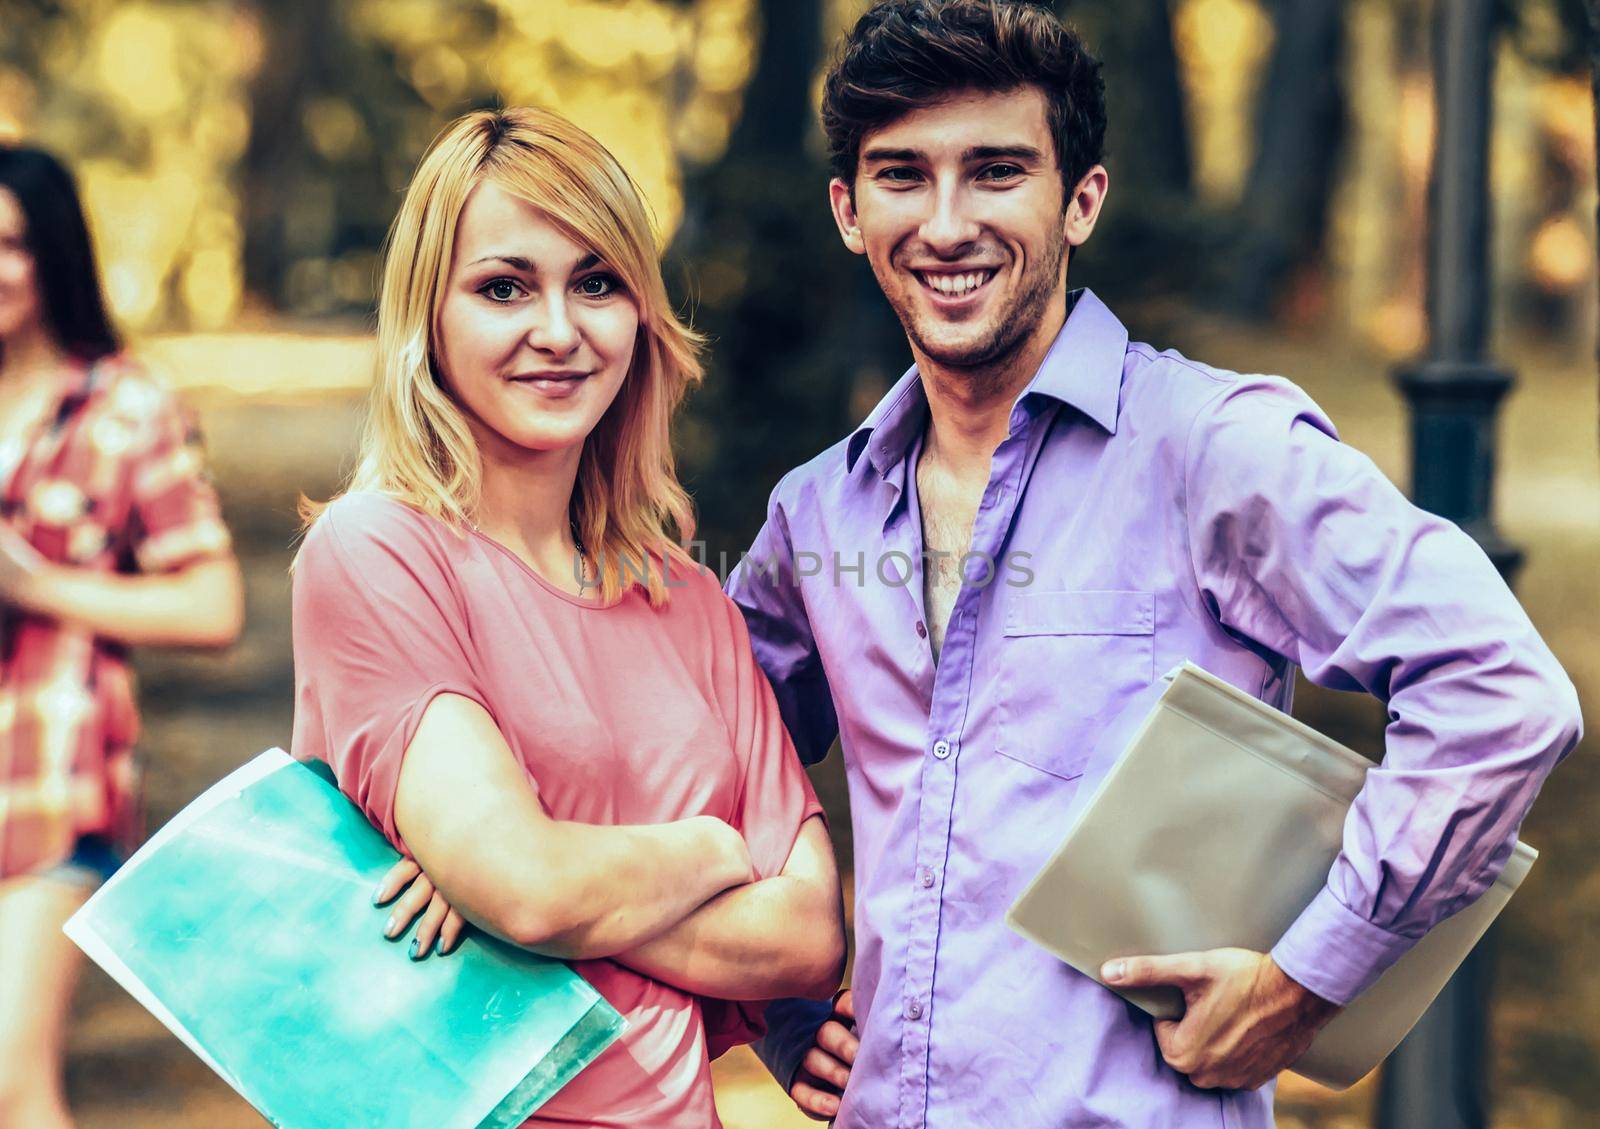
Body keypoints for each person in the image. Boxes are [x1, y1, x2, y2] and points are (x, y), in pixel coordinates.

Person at [727, 2, 1584, 1126]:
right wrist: (780, 1001)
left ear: (1080, 197)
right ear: (848, 209)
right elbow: (711, 758)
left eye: (995, 172)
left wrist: (1307, 977)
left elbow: (1500, 692)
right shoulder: (814, 516)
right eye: (901, 175)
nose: (945, 223)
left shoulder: (1212, 450)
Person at [289, 107, 846, 1128]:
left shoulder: (691, 602)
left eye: (596, 282)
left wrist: (528, 888)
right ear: (430, 315)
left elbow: (807, 934)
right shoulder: (376, 553)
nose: (558, 329)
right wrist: (708, 852)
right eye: (504, 287)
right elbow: (530, 885)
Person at [0, 145, 243, 1129]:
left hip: (52, 786)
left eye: (12, 244)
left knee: (12, 1083)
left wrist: (39, 585)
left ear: (55, 253)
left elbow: (213, 603)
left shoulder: (125, 407)